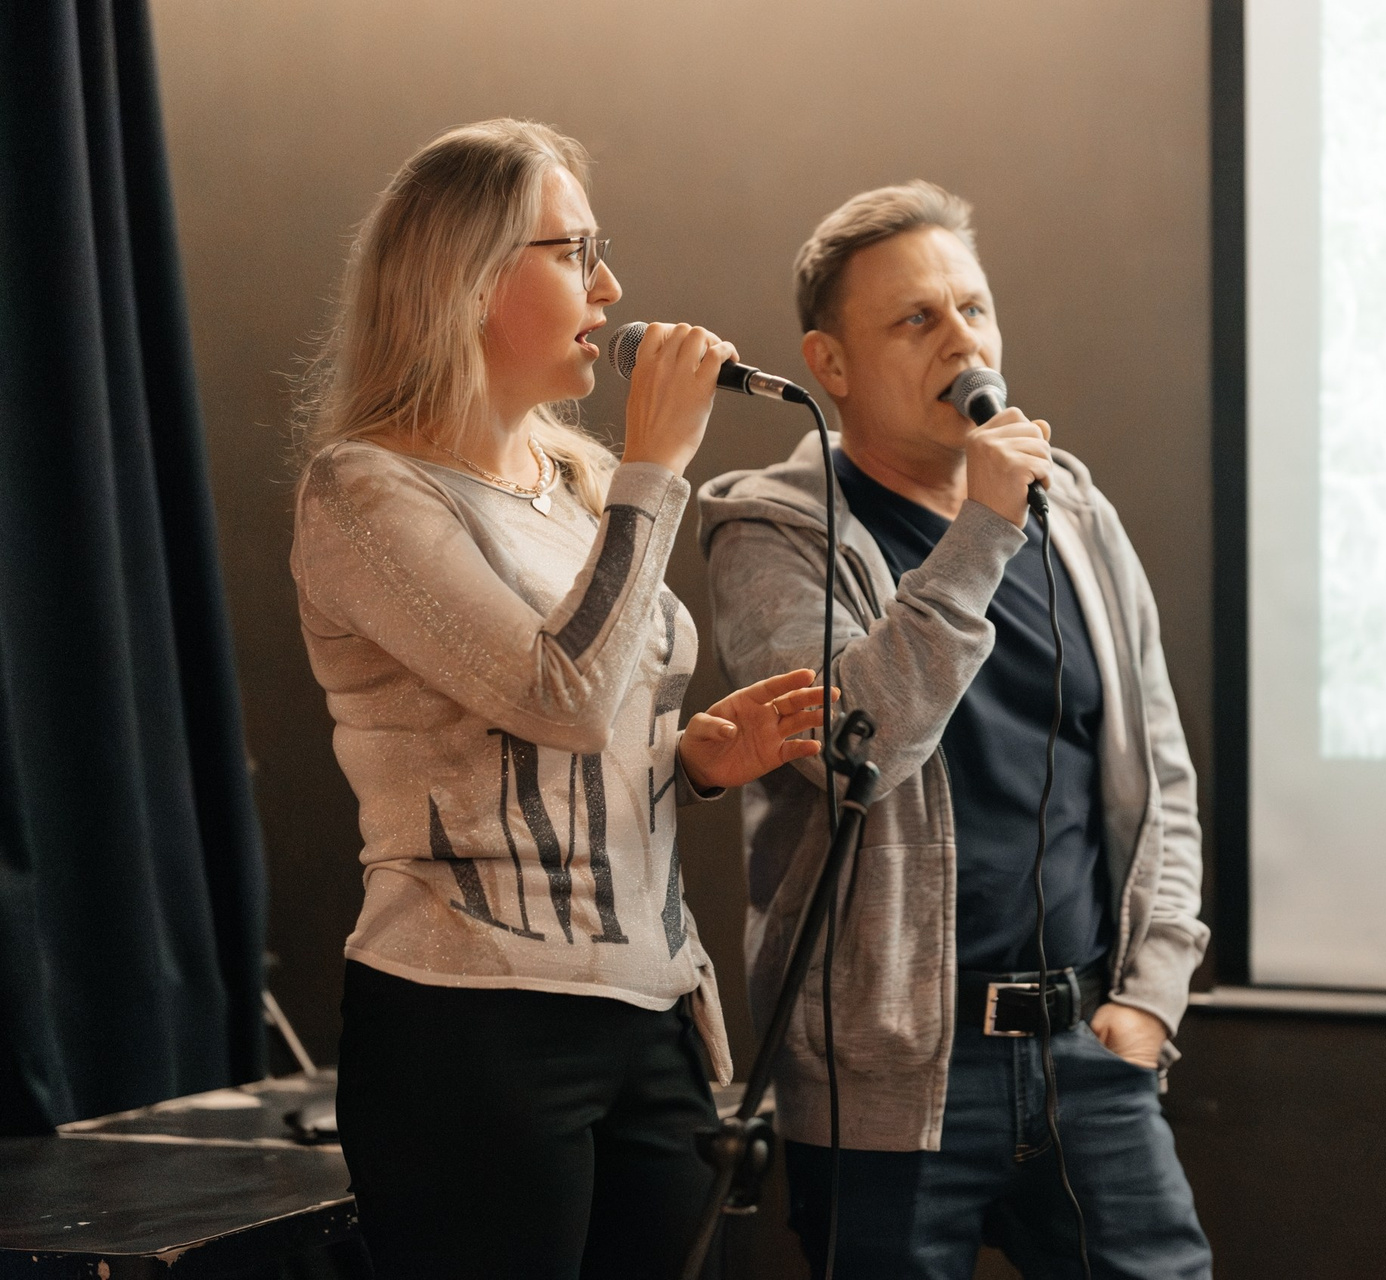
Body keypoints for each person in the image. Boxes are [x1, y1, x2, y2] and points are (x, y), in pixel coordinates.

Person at [289, 118, 828, 1279]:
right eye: (575, 251)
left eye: (602, 251)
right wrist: (657, 467)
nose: (611, 287)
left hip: (649, 1005)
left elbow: (580, 726)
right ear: (468, 275)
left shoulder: (575, 481)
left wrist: (687, 756)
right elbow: (559, 696)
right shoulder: (365, 492)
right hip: (475, 1019)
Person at [698, 181, 1212, 1278]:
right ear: (830, 364)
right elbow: (860, 750)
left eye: (974, 309)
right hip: (886, 1080)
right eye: (916, 319)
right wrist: (982, 529)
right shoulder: (772, 531)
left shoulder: (1075, 514)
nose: (962, 340)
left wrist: (1152, 1000)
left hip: (1090, 1052)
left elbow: (1159, 774)